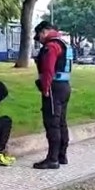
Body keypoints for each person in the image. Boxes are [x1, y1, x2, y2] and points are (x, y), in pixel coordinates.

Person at [33, 21, 73, 170]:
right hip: (64, 86)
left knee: (52, 123)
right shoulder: (64, 43)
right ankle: (62, 155)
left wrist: (44, 88)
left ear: (44, 31)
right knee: (61, 122)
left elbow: (49, 69)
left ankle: (52, 159)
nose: (40, 40)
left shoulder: (51, 46)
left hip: (53, 88)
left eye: (39, 36)